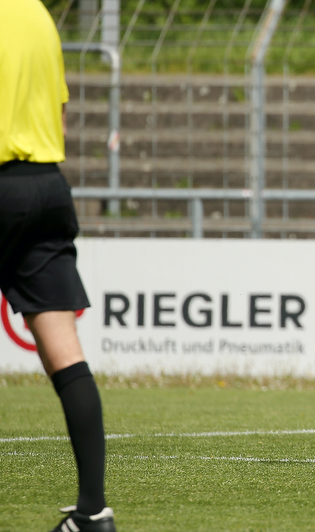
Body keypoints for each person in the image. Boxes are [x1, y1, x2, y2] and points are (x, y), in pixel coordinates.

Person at [0, 1, 116, 531]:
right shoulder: (38, 15)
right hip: (47, 186)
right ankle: (93, 513)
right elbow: (59, 109)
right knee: (66, 355)